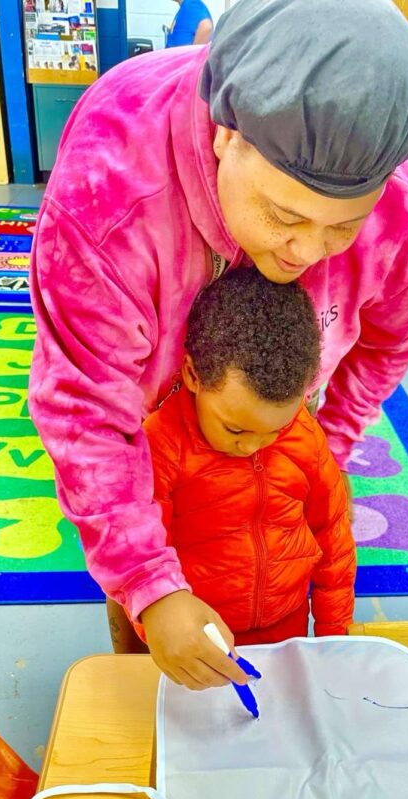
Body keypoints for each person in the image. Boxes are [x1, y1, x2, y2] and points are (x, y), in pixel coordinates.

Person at [29, 0, 408, 692]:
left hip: (269, 410)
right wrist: (146, 586)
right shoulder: (112, 183)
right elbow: (85, 408)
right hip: (152, 428)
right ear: (225, 136)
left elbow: (388, 346)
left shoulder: (404, 211)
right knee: (148, 623)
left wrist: (318, 444)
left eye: (341, 228)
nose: (307, 253)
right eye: (284, 215)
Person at [128, 269, 355, 682]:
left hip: (287, 633)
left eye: (275, 429)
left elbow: (334, 541)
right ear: (194, 375)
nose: (253, 446)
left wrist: (332, 639)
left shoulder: (305, 437)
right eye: (236, 429)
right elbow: (136, 557)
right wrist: (158, 632)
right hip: (199, 641)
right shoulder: (161, 445)